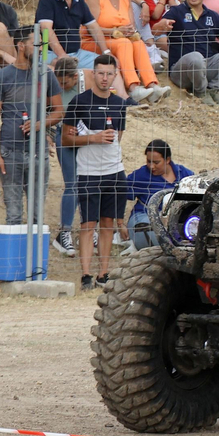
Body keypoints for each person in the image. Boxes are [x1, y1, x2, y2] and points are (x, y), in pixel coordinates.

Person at [61, 50, 126, 289]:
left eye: (110, 74)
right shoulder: (79, 101)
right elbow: (66, 140)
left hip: (114, 172)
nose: (105, 78)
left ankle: (104, 273)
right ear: (93, 73)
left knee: (107, 224)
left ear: (115, 75)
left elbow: (118, 138)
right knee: (88, 224)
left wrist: (104, 141)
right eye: (100, 73)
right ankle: (86, 274)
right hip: (88, 172)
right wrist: (94, 138)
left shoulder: (119, 104)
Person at [0, 24, 64, 227]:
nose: (41, 49)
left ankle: (34, 258)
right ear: (21, 46)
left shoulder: (46, 75)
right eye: (36, 43)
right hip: (10, 152)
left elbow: (59, 111)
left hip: (39, 154)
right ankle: (14, 258)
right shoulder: (2, 77)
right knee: (13, 215)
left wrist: (40, 124)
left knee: (37, 216)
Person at [85, 0, 170, 102]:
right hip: (96, 41)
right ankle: (133, 87)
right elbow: (90, 27)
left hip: (120, 40)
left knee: (137, 43)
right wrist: (115, 31)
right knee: (124, 43)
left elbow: (131, 26)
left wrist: (130, 30)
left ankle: (153, 85)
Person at [35, 0, 111, 68]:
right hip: (50, 54)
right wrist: (62, 55)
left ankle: (134, 85)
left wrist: (106, 52)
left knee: (107, 66)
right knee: (65, 69)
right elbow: (46, 30)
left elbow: (93, 27)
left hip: (77, 53)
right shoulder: (47, 0)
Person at [122, 139, 191, 251]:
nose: (151, 166)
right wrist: (120, 224)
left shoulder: (184, 174)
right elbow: (118, 195)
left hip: (175, 218)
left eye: (156, 162)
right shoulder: (141, 175)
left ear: (167, 160)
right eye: (148, 161)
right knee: (148, 230)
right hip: (145, 217)